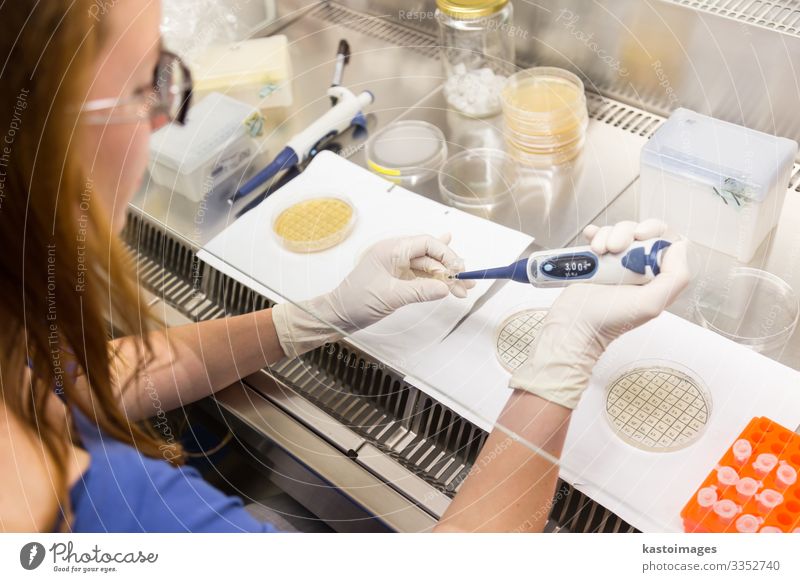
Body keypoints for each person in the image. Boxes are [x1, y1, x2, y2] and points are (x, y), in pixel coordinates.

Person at [0, 0, 689, 533]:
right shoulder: (111, 520)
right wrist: (559, 365)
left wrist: (308, 319)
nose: (163, 120)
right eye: (148, 82)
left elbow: (74, 384)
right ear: (38, 130)